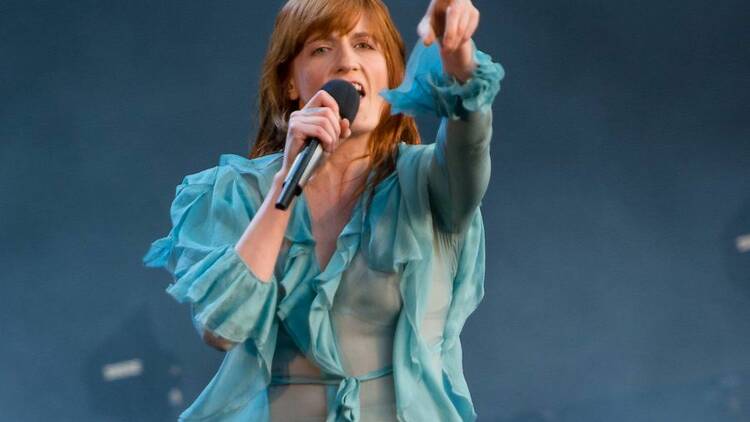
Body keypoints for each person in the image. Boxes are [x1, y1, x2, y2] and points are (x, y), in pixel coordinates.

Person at [143, 0, 504, 420]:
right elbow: (221, 328)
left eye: (365, 44)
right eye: (320, 49)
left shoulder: (428, 182)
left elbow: (472, 138)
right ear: (290, 84)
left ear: (390, 73)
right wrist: (287, 181)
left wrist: (456, 53)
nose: (347, 63)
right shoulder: (234, 193)